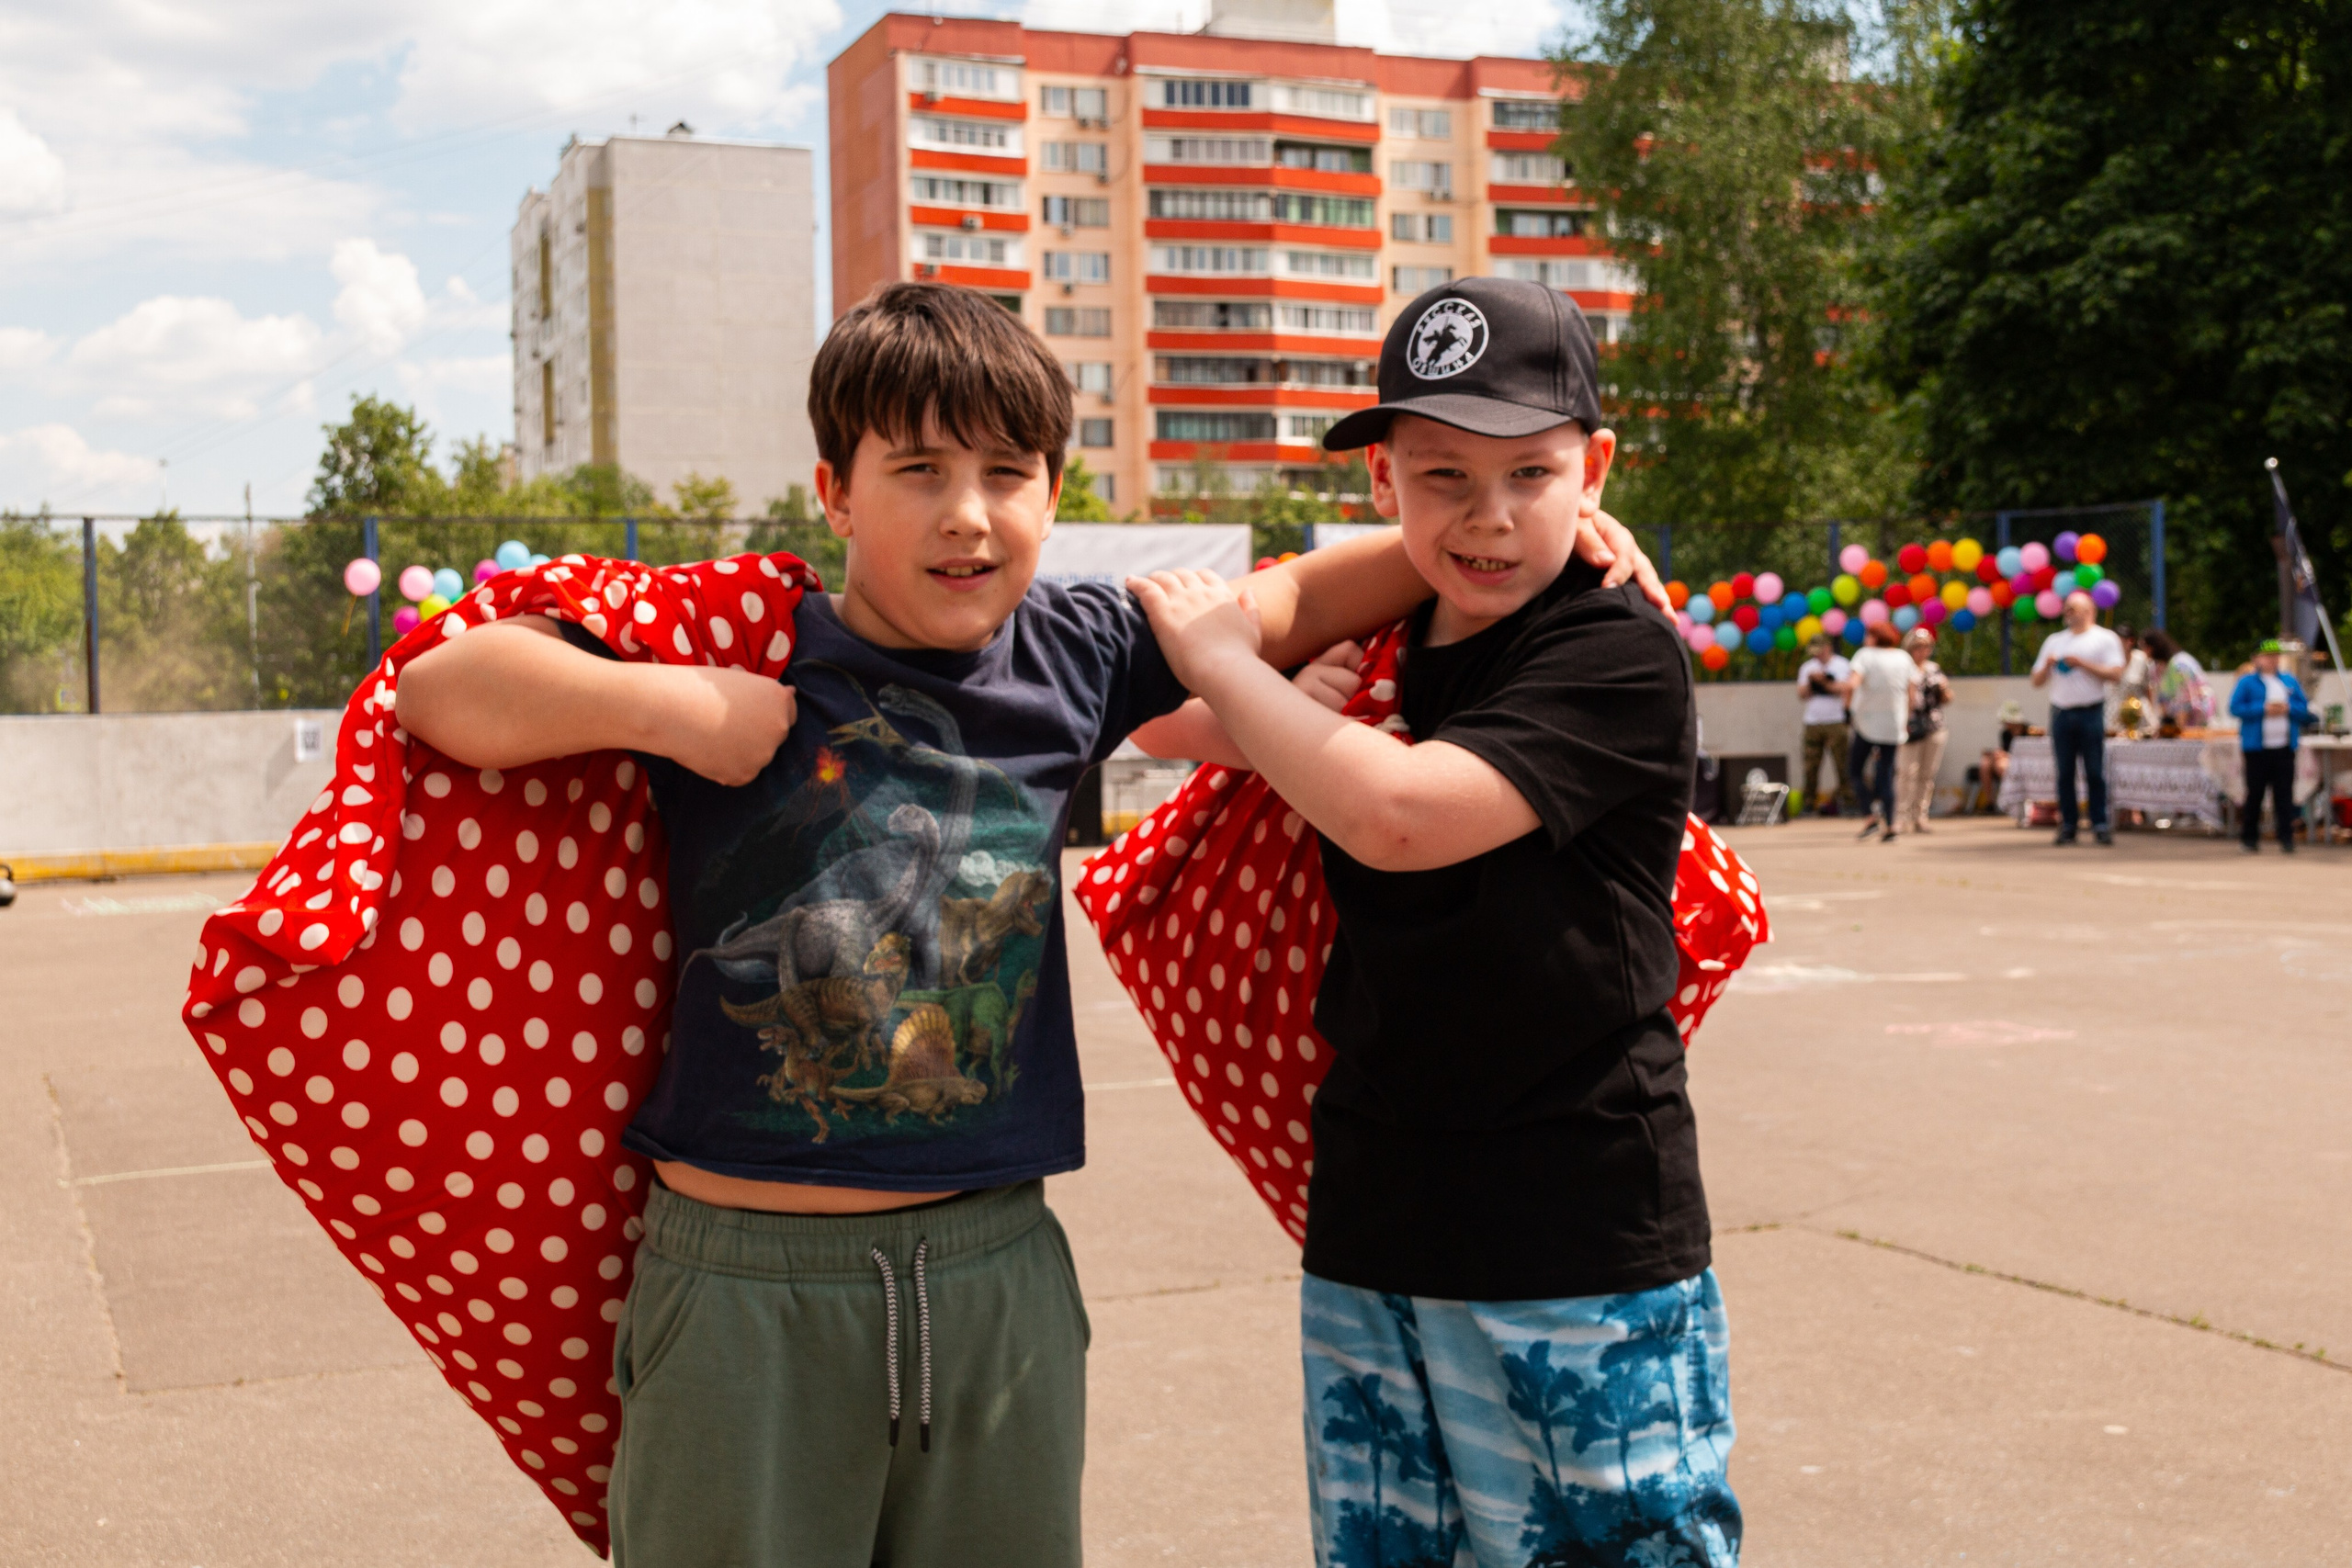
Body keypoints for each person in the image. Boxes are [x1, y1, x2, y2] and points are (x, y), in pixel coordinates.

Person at [392, 281, 1665, 1568]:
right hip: (745, 1284)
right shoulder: (743, 637)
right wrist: (675, 708)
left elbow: (1306, 598)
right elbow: (444, 689)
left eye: (1009, 471)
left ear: (1054, 496)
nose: (968, 512)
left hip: (994, 1266)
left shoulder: (1075, 648)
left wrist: (1539, 517)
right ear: (835, 491)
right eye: (919, 469)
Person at [1128, 277, 1739, 1566]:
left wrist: (1242, 674)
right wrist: (1276, 690)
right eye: (1442, 474)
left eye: (1533, 472)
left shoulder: (1612, 650)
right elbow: (1160, 714)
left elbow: (1400, 812)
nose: (1490, 515)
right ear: (1380, 483)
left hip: (1572, 1231)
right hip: (1382, 1217)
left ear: (1597, 468)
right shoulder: (1397, 619)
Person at [2030, 590, 2126, 845]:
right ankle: (2068, 825)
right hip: (2061, 712)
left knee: (2094, 771)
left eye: (2073, 608)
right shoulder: (2054, 640)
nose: (2067, 613)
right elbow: (2036, 680)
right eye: (2066, 608)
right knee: (2064, 773)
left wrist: (2082, 663)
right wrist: (2049, 666)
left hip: (2090, 711)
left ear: (2088, 611)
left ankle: (2100, 824)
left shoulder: (2105, 639)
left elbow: (2116, 674)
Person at [2229, 637, 2313, 853]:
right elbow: (2235, 708)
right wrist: (2263, 709)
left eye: (2275, 656)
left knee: (2284, 795)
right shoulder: (2247, 682)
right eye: (2268, 656)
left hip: (2284, 746)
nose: (2272, 660)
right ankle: (2250, 837)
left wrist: (2287, 709)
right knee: (2255, 794)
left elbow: (2304, 709)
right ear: (2256, 658)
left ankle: (2286, 838)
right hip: (2257, 748)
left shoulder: (2289, 681)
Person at [1848, 621, 1917, 841]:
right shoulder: (1903, 658)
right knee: (1886, 774)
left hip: (1867, 723)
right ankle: (1892, 825)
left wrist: (1847, 706)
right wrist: (1906, 718)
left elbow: (1853, 683)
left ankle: (1870, 815)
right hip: (1894, 724)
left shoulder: (1865, 655)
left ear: (1875, 637)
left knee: (1854, 770)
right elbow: (1912, 692)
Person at [1896, 625, 1952, 833]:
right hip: (1909, 727)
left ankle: (1920, 816)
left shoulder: (1934, 669)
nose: (1922, 651)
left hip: (1934, 726)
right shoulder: (1902, 668)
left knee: (1927, 774)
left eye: (1926, 646)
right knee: (1906, 773)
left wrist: (1945, 689)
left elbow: (1947, 698)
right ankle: (1900, 816)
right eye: (1918, 646)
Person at [1795, 632, 1854, 815]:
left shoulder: (1842, 665)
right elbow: (1801, 694)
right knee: (1810, 765)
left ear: (1827, 648)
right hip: (1813, 722)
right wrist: (1813, 683)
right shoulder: (1808, 668)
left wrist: (1826, 682)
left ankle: (1850, 802)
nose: (1816, 656)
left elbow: (1846, 688)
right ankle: (1809, 803)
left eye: (1819, 651)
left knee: (1843, 764)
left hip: (1835, 721)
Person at [2143, 626, 2212, 731]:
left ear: (2156, 646)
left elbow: (2186, 701)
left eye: (2145, 647)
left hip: (2195, 721)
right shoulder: (2158, 668)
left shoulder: (2179, 664)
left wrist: (2179, 730)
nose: (2144, 652)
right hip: (2177, 720)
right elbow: (2163, 699)